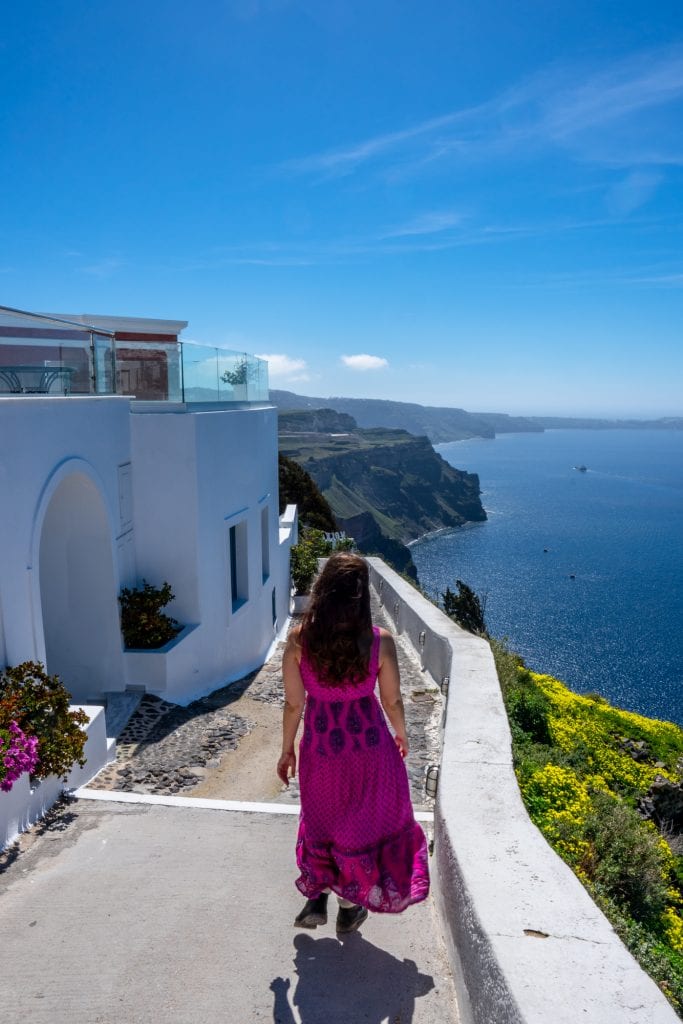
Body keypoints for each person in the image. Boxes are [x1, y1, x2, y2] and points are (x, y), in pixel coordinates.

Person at [277, 552, 430, 935]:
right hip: (369, 750)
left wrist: (287, 749)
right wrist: (402, 734)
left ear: (323, 591)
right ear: (362, 598)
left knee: (322, 821)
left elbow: (294, 703)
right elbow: (392, 700)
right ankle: (348, 906)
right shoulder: (379, 642)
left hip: (322, 750)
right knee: (358, 827)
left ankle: (317, 898)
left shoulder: (299, 641)